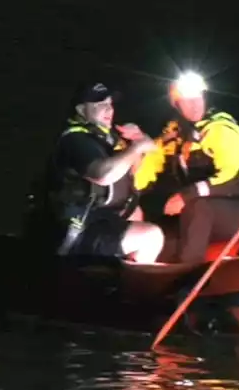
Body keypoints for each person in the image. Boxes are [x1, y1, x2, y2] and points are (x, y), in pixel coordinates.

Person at [26, 82, 165, 263]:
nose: (108, 109)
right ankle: (135, 287)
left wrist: (136, 140)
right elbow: (103, 175)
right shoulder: (75, 140)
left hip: (97, 219)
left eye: (110, 104)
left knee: (135, 213)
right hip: (73, 231)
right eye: (100, 104)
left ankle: (120, 279)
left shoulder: (107, 140)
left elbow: (131, 174)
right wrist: (137, 148)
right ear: (82, 110)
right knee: (151, 236)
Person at [141, 71, 239, 262]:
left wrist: (186, 195)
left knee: (197, 207)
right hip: (203, 212)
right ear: (177, 104)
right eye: (187, 100)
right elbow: (149, 162)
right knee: (161, 238)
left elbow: (232, 177)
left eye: (198, 97)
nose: (195, 104)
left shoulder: (221, 129)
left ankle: (189, 278)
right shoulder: (175, 135)